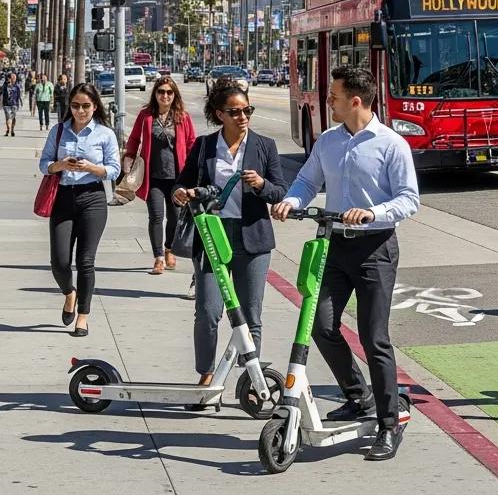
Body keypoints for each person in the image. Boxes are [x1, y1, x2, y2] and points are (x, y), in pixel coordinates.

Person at [273, 65, 419, 462]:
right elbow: (307, 181)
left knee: (375, 339)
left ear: (356, 101)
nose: (329, 102)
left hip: (376, 249)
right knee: (320, 326)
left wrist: (373, 213)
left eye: (334, 96)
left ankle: (389, 425)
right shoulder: (328, 141)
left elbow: (409, 199)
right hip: (335, 245)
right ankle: (358, 395)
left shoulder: (391, 144)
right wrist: (293, 200)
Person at [173, 78, 285, 409]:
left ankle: (250, 379)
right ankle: (207, 376)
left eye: (247, 110)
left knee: (251, 314)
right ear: (219, 114)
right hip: (212, 235)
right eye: (235, 112)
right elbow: (184, 182)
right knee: (208, 311)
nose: (242, 116)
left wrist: (263, 185)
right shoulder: (206, 146)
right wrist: (181, 193)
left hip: (252, 237)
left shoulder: (264, 146)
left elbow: (281, 190)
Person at [39, 83, 120, 337]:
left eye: (86, 106)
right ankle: (69, 293)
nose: (81, 110)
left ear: (95, 106)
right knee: (60, 262)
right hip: (63, 198)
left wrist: (91, 168)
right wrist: (60, 165)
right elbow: (44, 164)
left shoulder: (105, 134)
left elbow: (114, 169)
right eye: (76, 106)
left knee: (86, 261)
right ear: (69, 106)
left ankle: (83, 316)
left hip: (92, 198)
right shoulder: (59, 131)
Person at [126, 76, 197, 274]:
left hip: (177, 178)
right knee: (156, 216)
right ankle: (158, 257)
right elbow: (133, 138)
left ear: (174, 95)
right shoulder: (146, 116)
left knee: (174, 217)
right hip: (153, 177)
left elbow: (192, 143)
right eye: (161, 92)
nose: (165, 96)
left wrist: (194, 170)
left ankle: (169, 249)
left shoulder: (183, 117)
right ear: (155, 93)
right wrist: (129, 157)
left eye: (169, 92)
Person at [2, 71, 22, 137]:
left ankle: (12, 130)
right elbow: (2, 94)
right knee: (7, 117)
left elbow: (18, 96)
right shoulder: (5, 86)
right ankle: (8, 129)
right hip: (6, 104)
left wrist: (18, 104)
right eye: (11, 77)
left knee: (13, 117)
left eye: (14, 77)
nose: (13, 78)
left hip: (14, 104)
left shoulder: (17, 86)